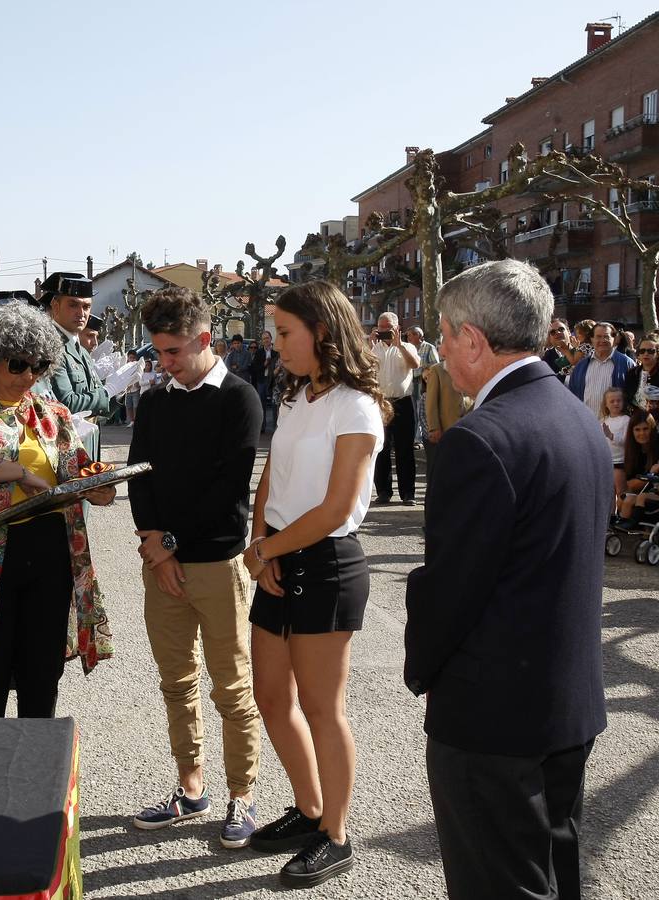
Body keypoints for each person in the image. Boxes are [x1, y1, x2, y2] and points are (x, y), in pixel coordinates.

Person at [405, 259, 609, 900]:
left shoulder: (481, 438)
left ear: (473, 339)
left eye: (442, 334)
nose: (438, 350)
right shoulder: (580, 419)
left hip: (493, 715)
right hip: (564, 702)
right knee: (555, 872)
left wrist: (424, 671)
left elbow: (452, 589)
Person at [244, 280, 387, 888]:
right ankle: (308, 811)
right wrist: (260, 547)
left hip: (327, 564)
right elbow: (271, 475)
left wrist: (269, 548)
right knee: (272, 701)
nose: (275, 347)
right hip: (278, 557)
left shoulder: (355, 405)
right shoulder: (300, 396)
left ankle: (337, 834)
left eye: (284, 334)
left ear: (322, 331)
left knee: (323, 709)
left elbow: (337, 507)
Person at [124, 286, 264, 848]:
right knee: (176, 684)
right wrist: (154, 543)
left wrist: (169, 543)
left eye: (174, 353)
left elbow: (226, 488)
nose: (165, 364)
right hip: (163, 566)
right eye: (158, 353)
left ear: (204, 340)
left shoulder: (240, 399)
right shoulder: (157, 402)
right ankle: (190, 789)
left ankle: (242, 797)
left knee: (232, 687)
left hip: (215, 564)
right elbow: (139, 474)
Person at [0, 302, 114, 719]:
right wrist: (21, 472)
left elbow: (78, 465)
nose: (28, 376)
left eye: (38, 366)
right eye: (18, 364)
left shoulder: (53, 414)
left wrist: (100, 482)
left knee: (43, 671)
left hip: (52, 550)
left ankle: (37, 766)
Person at [37, 272, 111, 460]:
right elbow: (67, 403)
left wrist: (114, 397)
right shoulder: (51, 346)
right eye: (73, 304)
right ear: (55, 305)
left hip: (87, 446)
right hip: (66, 450)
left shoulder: (81, 350)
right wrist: (107, 392)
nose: (81, 313)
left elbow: (94, 405)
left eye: (86, 306)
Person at [370, 311, 419, 505]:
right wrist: (368, 346)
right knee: (381, 448)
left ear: (397, 328)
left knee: (405, 448)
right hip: (380, 401)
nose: (383, 331)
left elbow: (415, 364)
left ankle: (408, 493)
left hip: (403, 402)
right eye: (380, 327)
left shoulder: (406, 347)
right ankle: (383, 491)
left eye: (387, 328)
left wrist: (400, 346)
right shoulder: (373, 349)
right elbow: (362, 368)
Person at [568, 321, 634, 410]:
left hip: (616, 422)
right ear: (592, 339)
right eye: (598, 337)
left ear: (614, 339)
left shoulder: (627, 364)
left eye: (606, 337)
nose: (602, 340)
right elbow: (573, 396)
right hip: (587, 421)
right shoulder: (581, 366)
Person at [422, 359, 471, 473]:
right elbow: (431, 401)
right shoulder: (437, 370)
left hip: (468, 425)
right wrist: (434, 427)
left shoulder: (470, 366)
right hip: (446, 428)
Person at [406, 324, 439, 445]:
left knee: (422, 410)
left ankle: (419, 438)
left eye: (410, 335)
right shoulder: (408, 348)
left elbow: (435, 366)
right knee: (413, 411)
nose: (408, 338)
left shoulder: (429, 348)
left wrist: (423, 370)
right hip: (410, 383)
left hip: (423, 383)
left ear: (418, 335)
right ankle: (414, 437)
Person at [599, 386, 630, 502]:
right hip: (606, 462)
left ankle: (621, 515)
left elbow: (626, 441)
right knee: (608, 493)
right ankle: (610, 516)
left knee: (620, 491)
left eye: (619, 400)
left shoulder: (626, 419)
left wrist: (611, 436)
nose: (616, 403)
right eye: (612, 401)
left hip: (619, 462)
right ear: (606, 404)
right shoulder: (603, 421)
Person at [250, 331, 280, 433]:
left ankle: (275, 427)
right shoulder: (259, 352)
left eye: (267, 338)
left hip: (273, 380)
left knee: (274, 404)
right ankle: (262, 427)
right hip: (262, 380)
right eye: (264, 339)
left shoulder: (276, 351)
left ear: (271, 339)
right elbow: (255, 368)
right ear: (262, 341)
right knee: (261, 403)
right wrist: (264, 364)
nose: (266, 340)